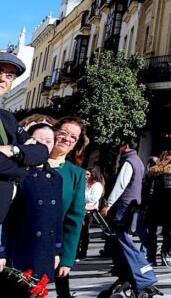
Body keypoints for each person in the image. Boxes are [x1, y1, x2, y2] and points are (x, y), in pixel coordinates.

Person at [0, 122, 62, 283]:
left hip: (43, 251)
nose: (42, 145)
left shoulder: (55, 177)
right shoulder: (14, 173)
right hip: (17, 248)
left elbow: (56, 218)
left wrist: (56, 249)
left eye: (48, 141)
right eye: (37, 140)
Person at [100, 138, 161, 298]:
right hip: (133, 206)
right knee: (121, 239)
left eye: (120, 145)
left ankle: (128, 271)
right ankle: (125, 271)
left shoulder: (129, 162)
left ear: (125, 146)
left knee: (119, 238)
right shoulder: (139, 161)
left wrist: (109, 204)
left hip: (123, 206)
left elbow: (121, 184)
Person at [0, 52, 51, 224]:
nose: (3, 79)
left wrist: (13, 150)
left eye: (9, 75)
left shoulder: (7, 118)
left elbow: (41, 151)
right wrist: (24, 167)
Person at [49, 117, 88, 298]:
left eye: (73, 137)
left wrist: (67, 259)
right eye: (63, 133)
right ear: (53, 132)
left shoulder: (76, 174)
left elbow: (74, 219)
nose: (67, 139)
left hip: (52, 248)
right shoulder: (28, 163)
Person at [144, 151, 171, 267]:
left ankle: (151, 257)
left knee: (153, 232)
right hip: (170, 205)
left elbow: (148, 190)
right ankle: (165, 255)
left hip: (155, 204)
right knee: (167, 232)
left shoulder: (154, 172)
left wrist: (145, 204)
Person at [78, 168, 105, 259]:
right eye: (85, 174)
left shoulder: (97, 185)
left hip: (90, 211)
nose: (86, 177)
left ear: (93, 175)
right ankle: (77, 250)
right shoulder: (84, 184)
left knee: (85, 231)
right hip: (81, 208)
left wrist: (81, 196)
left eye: (88, 174)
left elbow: (92, 199)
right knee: (78, 231)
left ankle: (83, 251)